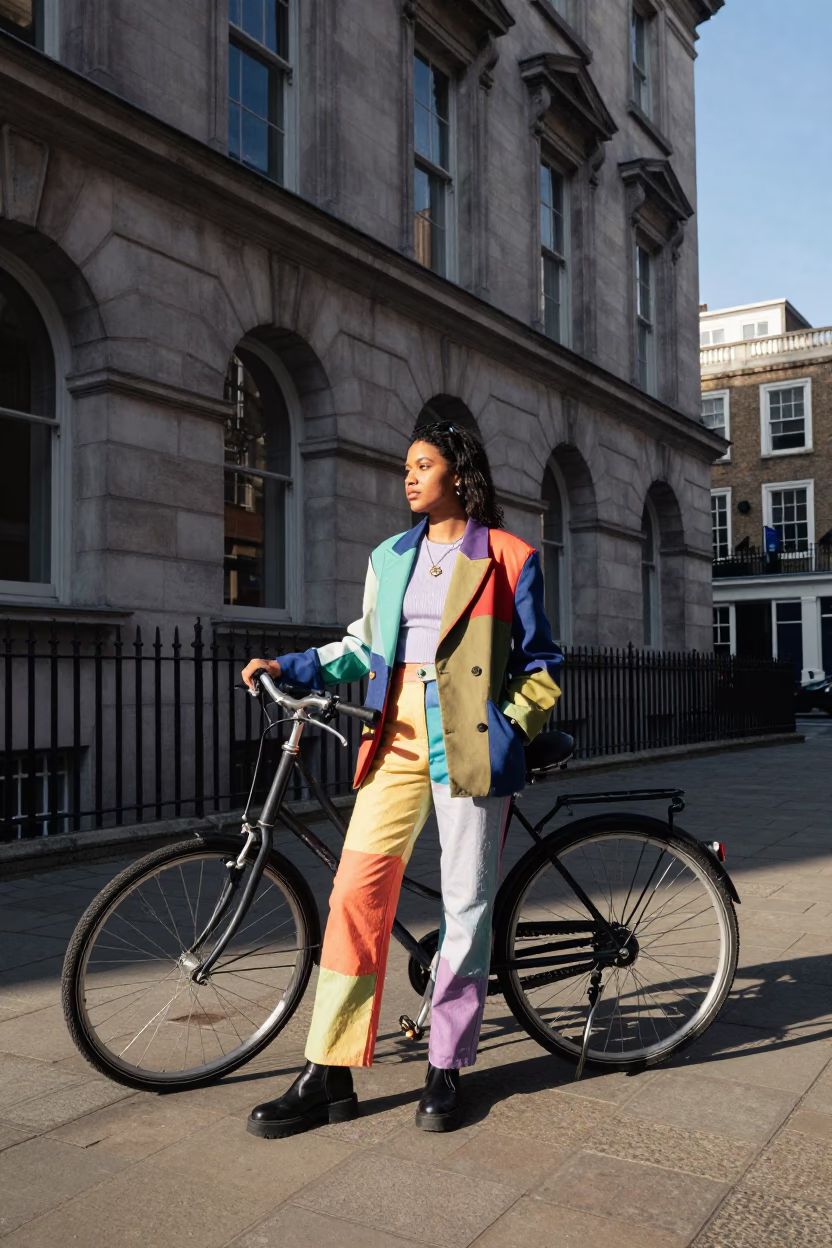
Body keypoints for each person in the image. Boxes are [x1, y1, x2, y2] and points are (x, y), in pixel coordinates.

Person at [240, 420, 563, 1138]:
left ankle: (446, 1064)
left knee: (465, 905)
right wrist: (290, 666)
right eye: (406, 467)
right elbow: (362, 646)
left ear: (460, 474)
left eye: (423, 465)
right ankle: (328, 1068)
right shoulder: (389, 557)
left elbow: (542, 669)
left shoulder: (510, 556)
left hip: (471, 747)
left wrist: (505, 727)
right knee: (356, 893)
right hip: (395, 741)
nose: (409, 478)